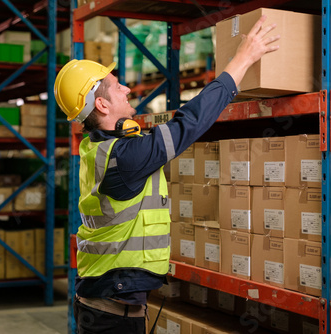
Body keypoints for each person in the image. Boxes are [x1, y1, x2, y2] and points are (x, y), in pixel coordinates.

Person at [54, 15, 280, 334]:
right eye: (117, 86)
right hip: (111, 314)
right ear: (102, 104)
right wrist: (242, 58)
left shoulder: (101, 148)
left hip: (107, 302)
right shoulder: (125, 156)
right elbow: (190, 123)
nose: (127, 88)